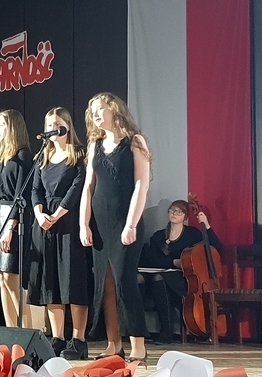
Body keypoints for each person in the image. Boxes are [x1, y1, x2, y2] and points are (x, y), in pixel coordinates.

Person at [79, 92, 151, 362]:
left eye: (100, 109)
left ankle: (138, 346)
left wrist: (131, 224)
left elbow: (141, 185)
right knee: (105, 283)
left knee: (124, 281)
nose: (96, 115)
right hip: (100, 224)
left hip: (125, 221)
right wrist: (84, 223)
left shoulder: (135, 142)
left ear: (114, 110)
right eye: (93, 111)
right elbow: (88, 187)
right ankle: (113, 344)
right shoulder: (94, 146)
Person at [29, 107, 89, 360]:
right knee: (51, 283)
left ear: (67, 126)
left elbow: (77, 188)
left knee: (72, 281)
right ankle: (58, 338)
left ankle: (78, 339)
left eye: (57, 124)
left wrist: (57, 214)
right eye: (49, 125)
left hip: (69, 222)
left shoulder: (78, 155)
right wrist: (40, 214)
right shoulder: (42, 157)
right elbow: (35, 190)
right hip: (45, 224)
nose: (52, 129)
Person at [139, 200, 222, 344]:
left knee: (159, 278)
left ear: (185, 217)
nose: (174, 213)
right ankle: (137, 330)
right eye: (172, 210)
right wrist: (173, 262)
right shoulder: (158, 236)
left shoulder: (192, 234)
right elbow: (150, 260)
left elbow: (215, 248)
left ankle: (166, 331)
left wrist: (207, 226)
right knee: (140, 279)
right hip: (161, 276)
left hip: (183, 278)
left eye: (179, 211)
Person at [0, 109, 33, 328]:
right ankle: (11, 330)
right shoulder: (3, 158)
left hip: (14, 218)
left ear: (12, 127)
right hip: (0, 216)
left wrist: (10, 227)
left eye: (0, 125)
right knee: (2, 279)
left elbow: (21, 195)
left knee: (12, 279)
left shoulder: (23, 157)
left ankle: (26, 331)